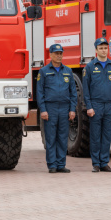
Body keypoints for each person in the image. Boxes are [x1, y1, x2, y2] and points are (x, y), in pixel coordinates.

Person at [36, 43, 76, 173]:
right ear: (51, 55)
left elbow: (73, 93)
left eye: (61, 53)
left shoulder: (68, 71)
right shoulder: (44, 71)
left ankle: (61, 164)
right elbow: (40, 92)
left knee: (62, 137)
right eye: (56, 53)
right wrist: (43, 110)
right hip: (50, 108)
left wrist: (72, 109)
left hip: (64, 108)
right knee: (51, 137)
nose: (59, 56)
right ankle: (52, 165)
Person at [82, 38, 111, 172]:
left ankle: (104, 162)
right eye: (101, 48)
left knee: (106, 136)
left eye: (105, 48)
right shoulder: (90, 67)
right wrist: (89, 106)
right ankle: (96, 164)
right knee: (95, 136)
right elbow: (85, 90)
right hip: (96, 106)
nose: (104, 50)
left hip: (110, 106)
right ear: (96, 50)